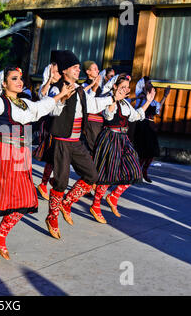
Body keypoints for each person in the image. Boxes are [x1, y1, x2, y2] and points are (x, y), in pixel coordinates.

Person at [0, 66, 74, 262]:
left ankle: (0, 234)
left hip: (20, 153)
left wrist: (60, 97)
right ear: (4, 84)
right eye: (14, 79)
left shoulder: (25, 103)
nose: (19, 82)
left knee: (26, 199)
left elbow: (41, 108)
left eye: (20, 78)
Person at [44, 50, 126, 240]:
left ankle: (67, 202)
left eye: (79, 67)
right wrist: (61, 99)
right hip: (62, 142)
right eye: (75, 67)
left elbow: (94, 105)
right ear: (65, 71)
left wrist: (114, 98)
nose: (78, 70)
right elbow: (50, 110)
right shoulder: (57, 89)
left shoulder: (81, 89)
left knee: (92, 175)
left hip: (76, 142)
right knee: (61, 182)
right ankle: (52, 217)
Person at [89, 75, 156, 223]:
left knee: (135, 171)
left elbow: (136, 116)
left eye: (127, 87)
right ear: (114, 87)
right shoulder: (109, 100)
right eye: (122, 87)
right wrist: (114, 98)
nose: (125, 90)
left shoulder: (126, 104)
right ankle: (96, 205)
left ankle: (113, 196)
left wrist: (149, 102)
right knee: (108, 173)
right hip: (110, 138)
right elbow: (109, 114)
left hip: (124, 139)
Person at [132, 77, 170, 183]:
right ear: (143, 85)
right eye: (148, 83)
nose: (151, 84)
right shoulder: (140, 98)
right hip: (142, 125)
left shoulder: (152, 100)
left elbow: (157, 108)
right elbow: (137, 110)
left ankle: (144, 171)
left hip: (150, 126)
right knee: (143, 151)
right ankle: (137, 173)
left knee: (152, 151)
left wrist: (165, 96)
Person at [35, 61, 61, 200]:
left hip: (61, 124)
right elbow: (42, 95)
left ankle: (49, 182)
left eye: (57, 72)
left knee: (57, 157)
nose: (57, 74)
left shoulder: (62, 85)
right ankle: (45, 183)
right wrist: (50, 78)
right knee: (53, 156)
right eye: (55, 71)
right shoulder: (47, 86)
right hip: (50, 125)